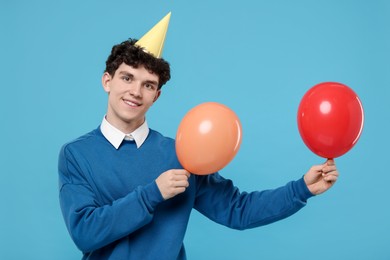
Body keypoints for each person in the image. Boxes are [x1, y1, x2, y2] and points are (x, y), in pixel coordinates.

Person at [58, 15, 339, 260]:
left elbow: (237, 210)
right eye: (127, 78)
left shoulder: (181, 154)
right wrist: (152, 194)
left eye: (148, 85)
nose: (135, 92)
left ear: (156, 95)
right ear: (108, 81)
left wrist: (302, 189)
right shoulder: (76, 155)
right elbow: (84, 233)